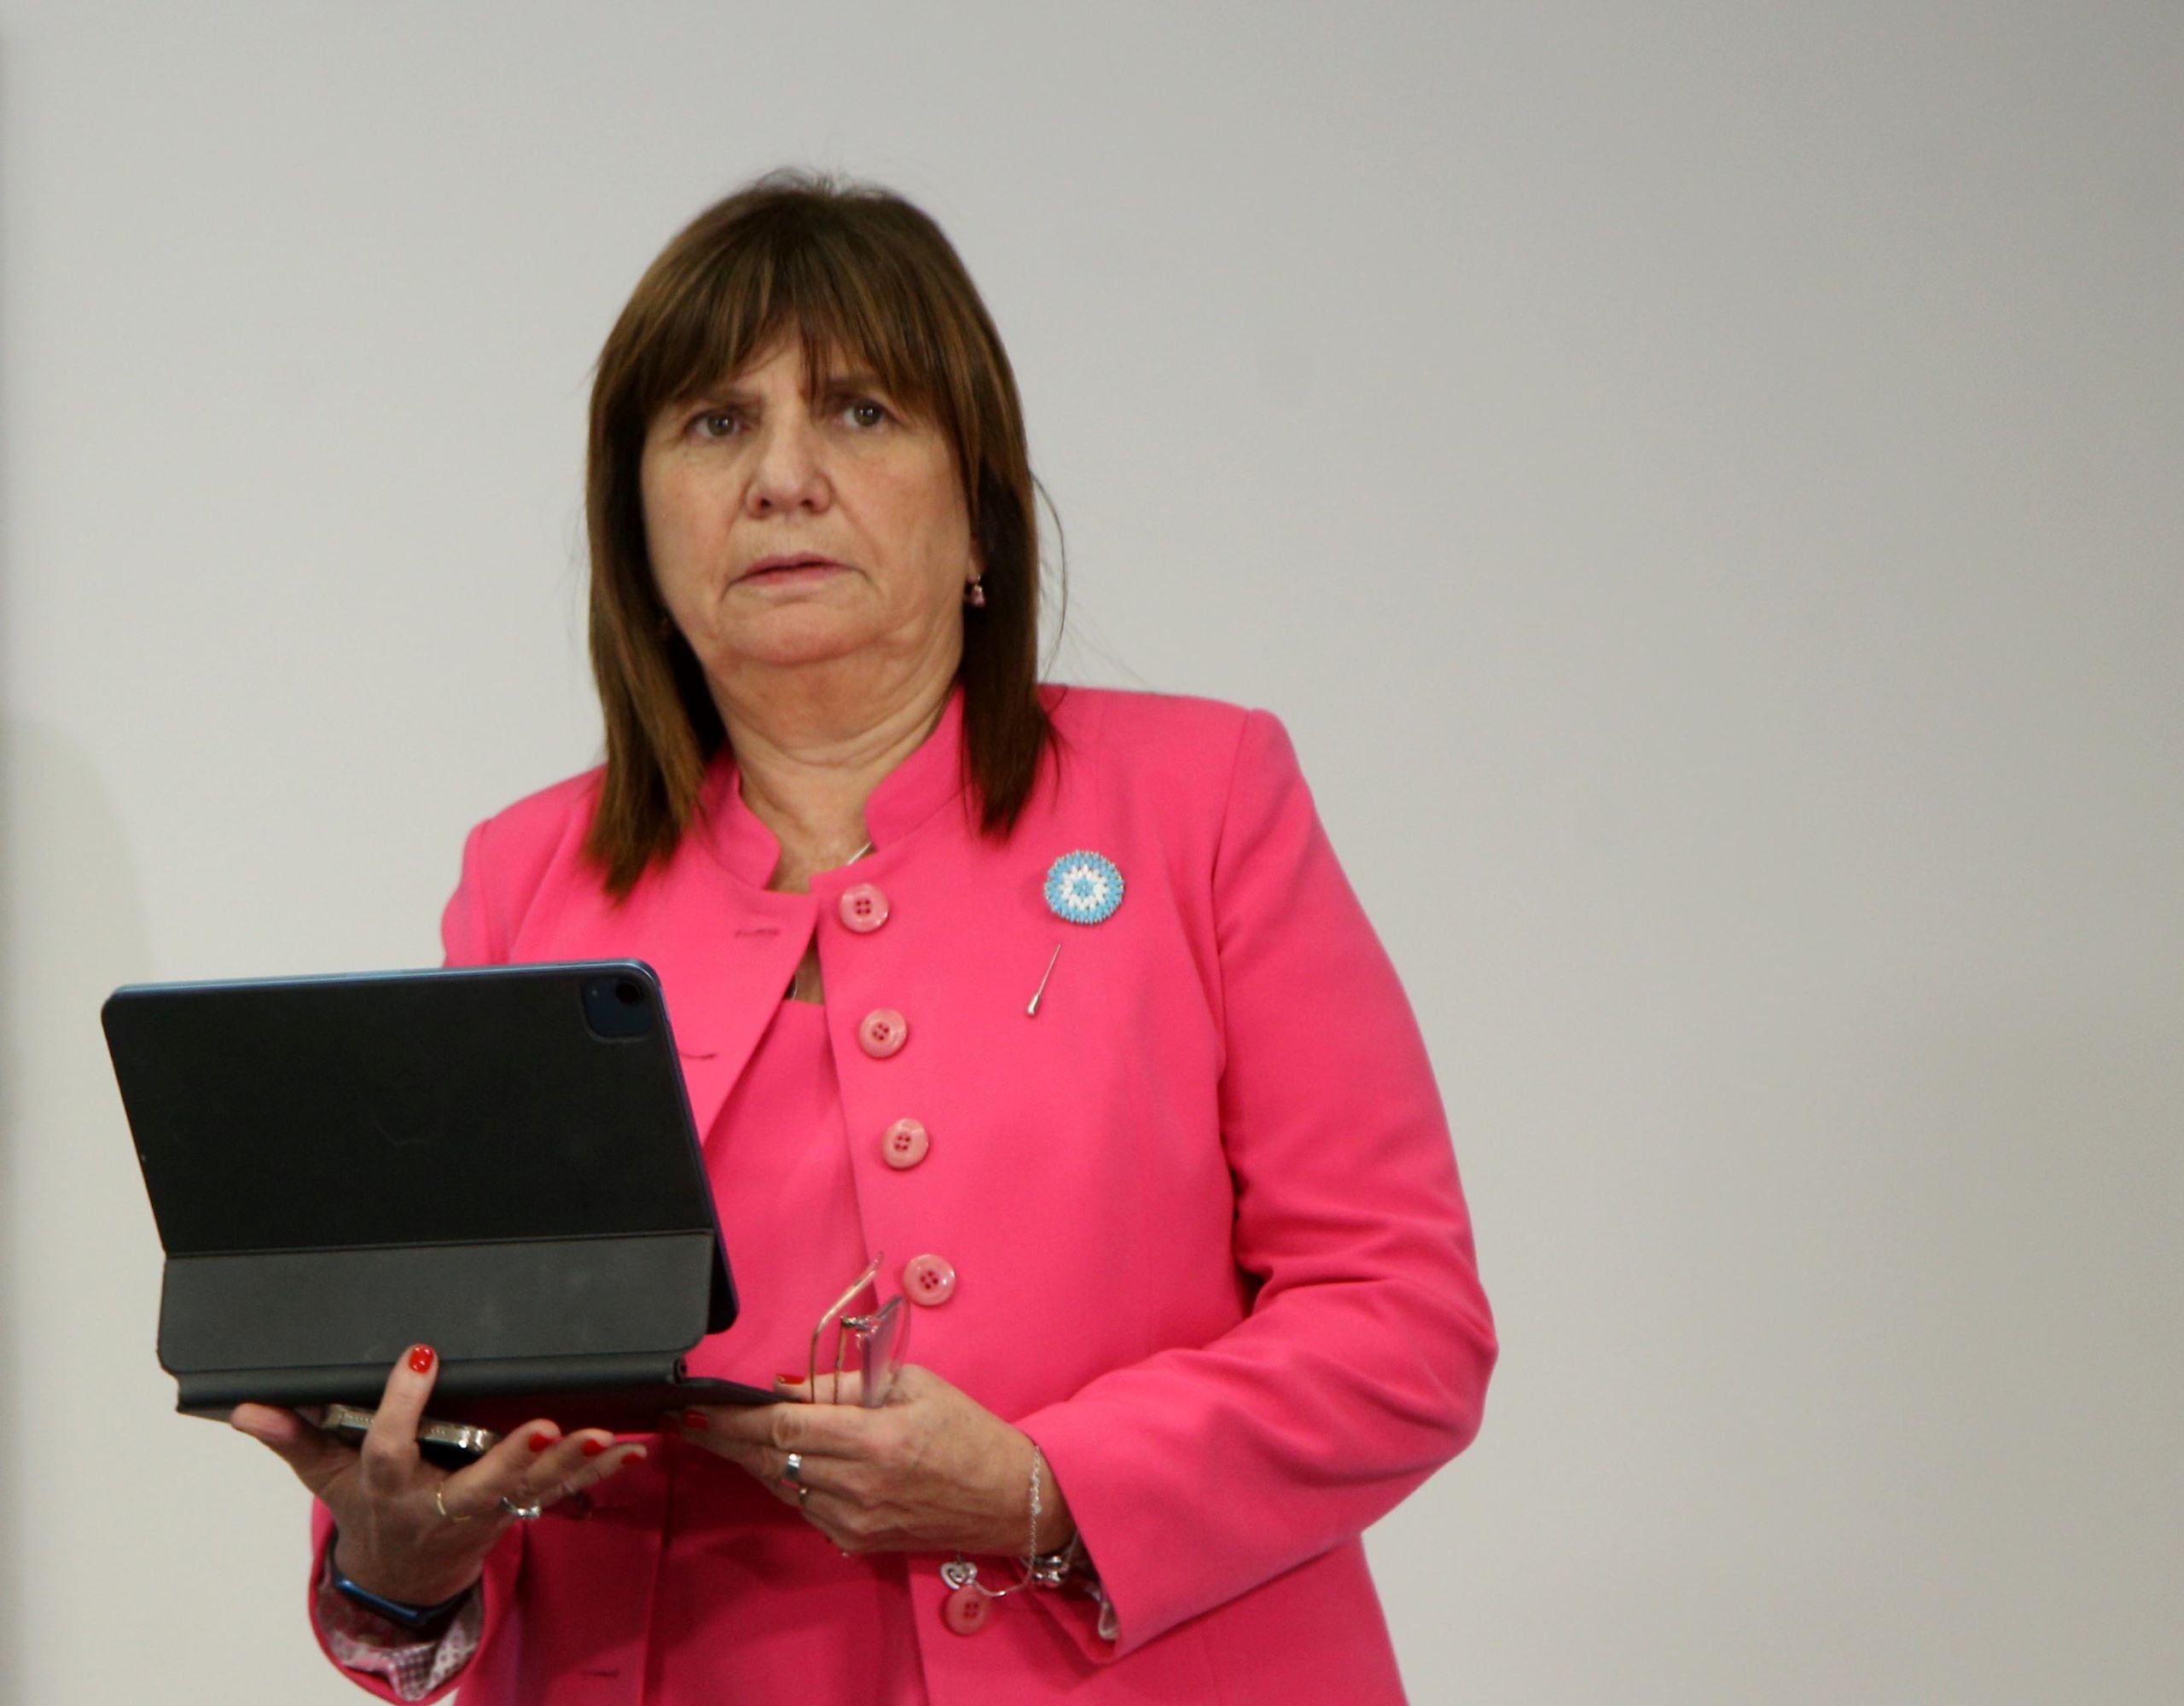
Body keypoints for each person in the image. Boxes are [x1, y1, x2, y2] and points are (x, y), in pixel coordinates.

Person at [229, 170, 1496, 1704]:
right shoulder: (526, 877)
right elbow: (453, 1412)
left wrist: (1043, 1487)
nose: (782, 479)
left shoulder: (1202, 800)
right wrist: (396, 1552)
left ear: (984, 512)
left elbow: (1401, 1325)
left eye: (860, 414)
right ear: (638, 537)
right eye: (713, 425)